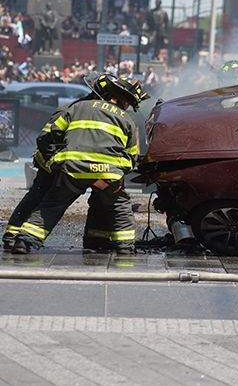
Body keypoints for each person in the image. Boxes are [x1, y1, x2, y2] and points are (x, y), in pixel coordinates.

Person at [10, 75, 149, 255]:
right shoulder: (126, 119)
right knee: (118, 205)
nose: (127, 107)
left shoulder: (76, 108)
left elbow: (46, 137)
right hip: (105, 176)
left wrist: (55, 162)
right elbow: (131, 156)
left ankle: (24, 241)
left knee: (52, 205)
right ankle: (125, 248)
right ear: (120, 100)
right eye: (128, 103)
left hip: (73, 172)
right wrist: (116, 175)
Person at [1, 74, 111, 248]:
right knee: (37, 197)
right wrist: (55, 162)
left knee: (49, 200)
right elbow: (45, 139)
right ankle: (12, 235)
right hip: (50, 163)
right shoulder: (72, 110)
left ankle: (97, 239)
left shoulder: (98, 114)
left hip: (69, 165)